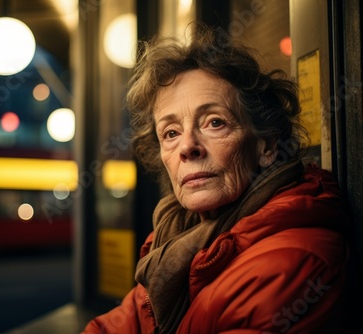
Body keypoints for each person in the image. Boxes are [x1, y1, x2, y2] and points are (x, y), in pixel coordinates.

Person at [82, 24, 355, 333]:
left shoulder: (294, 261)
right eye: (170, 133)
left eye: (214, 122)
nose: (187, 147)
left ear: (266, 147)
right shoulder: (174, 244)